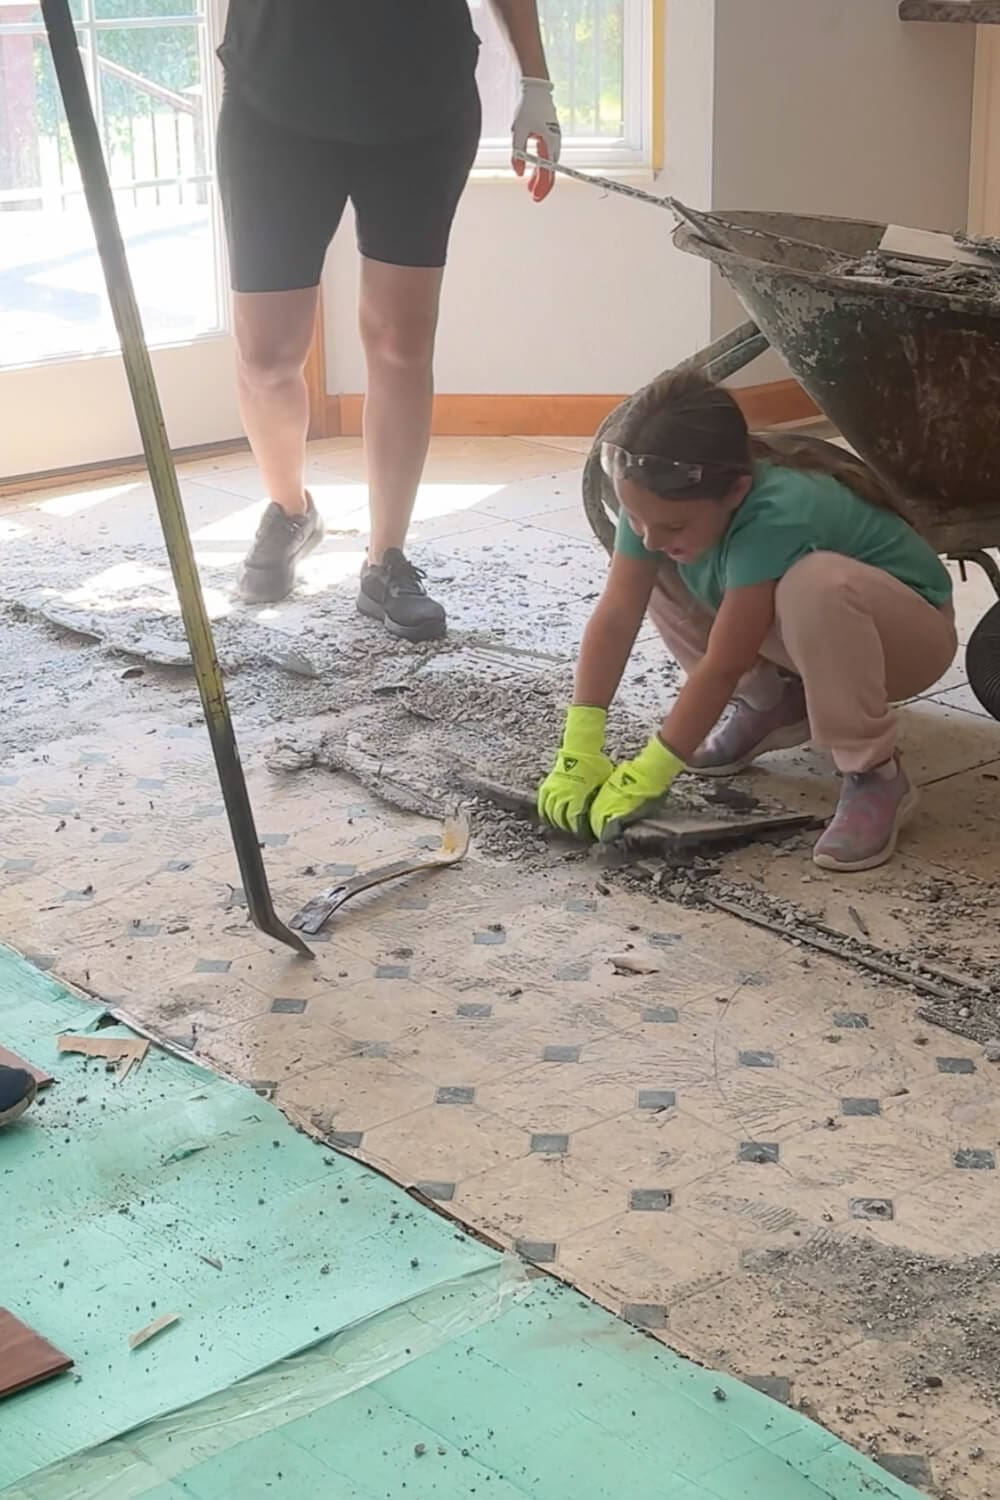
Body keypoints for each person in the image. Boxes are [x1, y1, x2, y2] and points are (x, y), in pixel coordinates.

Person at [217, 1, 560, 642]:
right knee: (266, 355)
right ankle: (290, 511)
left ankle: (385, 559)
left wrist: (534, 83)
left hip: (421, 102)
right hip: (274, 100)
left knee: (401, 342)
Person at [537, 370, 957, 872]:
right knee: (655, 569)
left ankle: (873, 771)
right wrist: (578, 745)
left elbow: (723, 661)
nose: (649, 534)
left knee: (815, 583)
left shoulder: (778, 509)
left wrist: (655, 766)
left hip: (907, 640)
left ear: (736, 490)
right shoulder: (654, 494)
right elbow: (616, 612)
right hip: (812, 640)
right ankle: (771, 703)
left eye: (670, 523)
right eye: (639, 518)